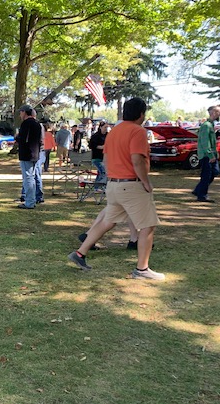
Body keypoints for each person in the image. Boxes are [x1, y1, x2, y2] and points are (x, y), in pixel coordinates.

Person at [68, 97, 164, 280]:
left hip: (113, 184)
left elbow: (107, 158)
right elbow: (137, 159)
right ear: (141, 114)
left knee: (108, 221)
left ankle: (80, 253)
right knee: (147, 225)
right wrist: (145, 181)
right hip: (131, 184)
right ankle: (142, 269)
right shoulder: (138, 131)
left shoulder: (114, 132)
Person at [192, 105, 220, 203]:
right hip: (206, 155)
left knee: (215, 172)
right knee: (206, 175)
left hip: (212, 154)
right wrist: (210, 155)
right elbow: (205, 142)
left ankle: (198, 190)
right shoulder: (206, 125)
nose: (219, 114)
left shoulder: (211, 125)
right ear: (213, 113)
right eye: (218, 112)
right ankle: (202, 195)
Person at [16, 104, 42, 209]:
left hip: (27, 154)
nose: (20, 114)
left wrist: (17, 137)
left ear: (25, 112)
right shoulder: (37, 124)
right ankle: (32, 200)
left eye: (21, 112)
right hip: (35, 153)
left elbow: (23, 139)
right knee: (33, 177)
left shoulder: (26, 123)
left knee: (28, 179)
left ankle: (29, 202)